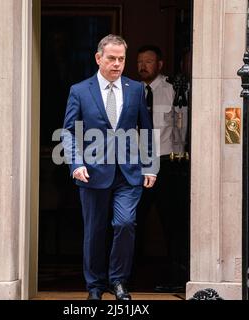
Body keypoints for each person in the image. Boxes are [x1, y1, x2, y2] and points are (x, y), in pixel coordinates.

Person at [62, 35, 157, 300]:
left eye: (121, 59)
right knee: (94, 231)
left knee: (125, 223)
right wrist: (76, 163)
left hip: (129, 173)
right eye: (111, 58)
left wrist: (150, 166)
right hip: (92, 173)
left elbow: (146, 130)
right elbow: (69, 132)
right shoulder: (79, 90)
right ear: (98, 58)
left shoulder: (137, 89)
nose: (117, 64)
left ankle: (119, 282)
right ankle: (94, 287)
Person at [136, 45, 190, 293]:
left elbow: (182, 128)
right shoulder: (132, 91)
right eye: (139, 61)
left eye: (148, 61)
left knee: (171, 223)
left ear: (159, 64)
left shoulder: (173, 90)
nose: (143, 66)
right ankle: (128, 276)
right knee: (131, 222)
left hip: (166, 164)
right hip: (136, 165)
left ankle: (176, 276)